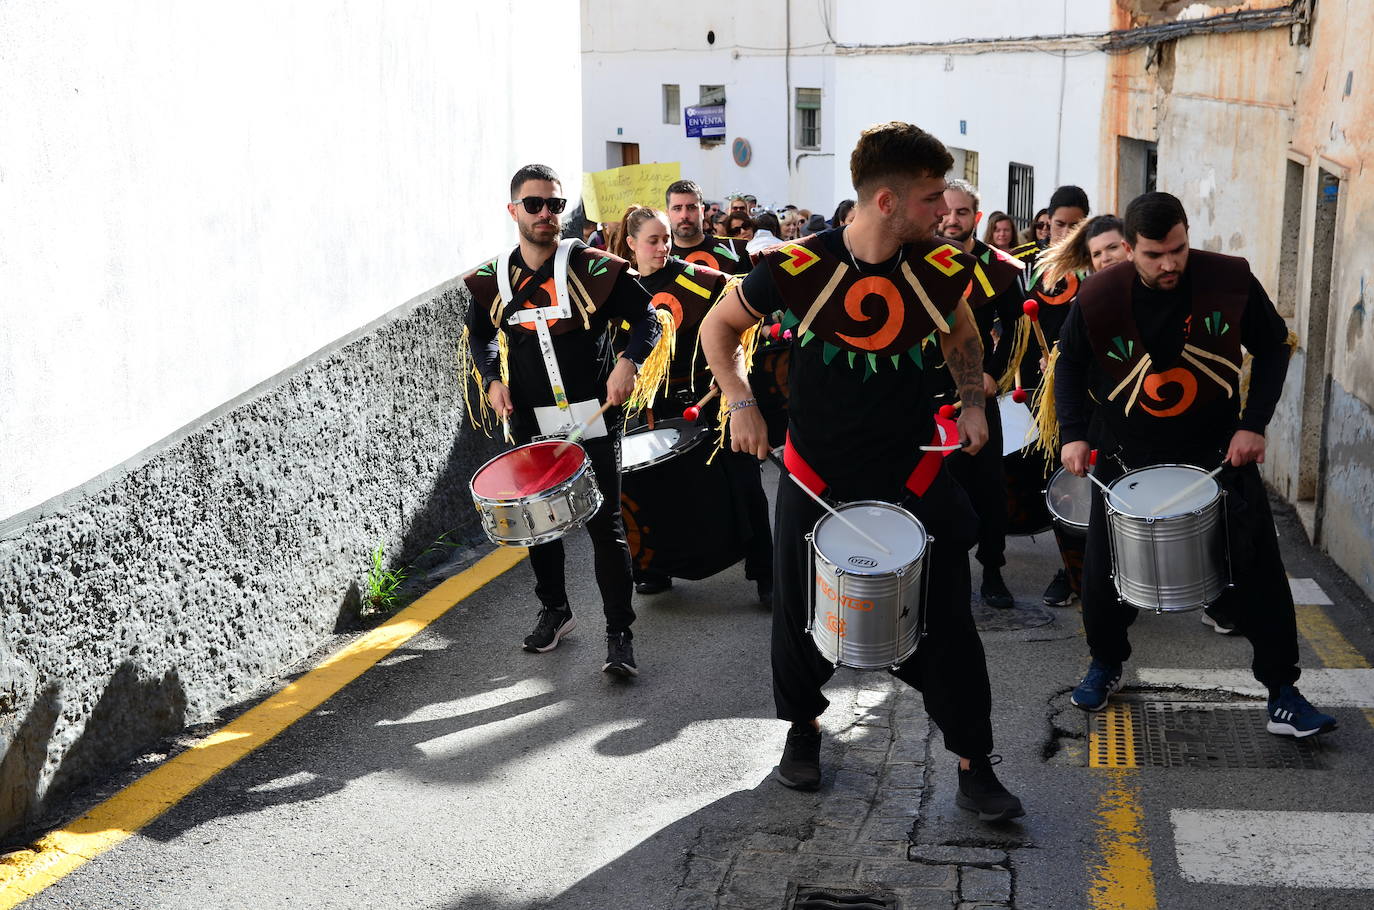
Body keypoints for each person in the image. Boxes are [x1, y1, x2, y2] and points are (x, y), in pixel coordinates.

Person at [700, 121, 1025, 823]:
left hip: (911, 478)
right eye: (933, 197)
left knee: (951, 628)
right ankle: (802, 731)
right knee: (797, 617)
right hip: (814, 479)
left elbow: (964, 338)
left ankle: (974, 764)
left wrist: (972, 400)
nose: (946, 211)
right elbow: (716, 328)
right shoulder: (794, 267)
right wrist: (741, 402)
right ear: (887, 202)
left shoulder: (941, 270)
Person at [1054, 192, 1337, 738]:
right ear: (1131, 248)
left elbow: (1274, 346)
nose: (1169, 264)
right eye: (1155, 254)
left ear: (1187, 234)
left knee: (1260, 572)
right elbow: (1070, 367)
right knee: (1101, 575)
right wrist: (1071, 435)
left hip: (1215, 452)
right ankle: (1105, 664)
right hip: (1124, 453)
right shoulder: (1098, 294)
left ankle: (1283, 692)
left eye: (1178, 249)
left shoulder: (1227, 280)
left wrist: (1253, 423)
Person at [462, 164, 662, 678]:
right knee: (537, 523)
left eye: (554, 204)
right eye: (534, 204)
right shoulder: (493, 279)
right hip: (531, 421)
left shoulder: (593, 267)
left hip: (593, 416)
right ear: (514, 211)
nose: (547, 213)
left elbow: (648, 319)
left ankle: (619, 635)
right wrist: (492, 380)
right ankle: (555, 611)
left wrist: (628, 362)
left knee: (605, 525)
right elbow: (480, 335)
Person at [611, 206, 776, 602]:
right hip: (652, 408)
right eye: (653, 240)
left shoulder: (700, 280)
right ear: (631, 244)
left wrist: (730, 379)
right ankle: (654, 568)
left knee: (742, 484)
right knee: (656, 492)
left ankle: (766, 573)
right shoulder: (619, 291)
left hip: (710, 399)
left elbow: (742, 315)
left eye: (666, 239)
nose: (663, 247)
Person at [931, 180, 1026, 609]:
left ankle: (992, 570)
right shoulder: (915, 260)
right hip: (928, 394)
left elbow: (1016, 328)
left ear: (977, 217)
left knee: (987, 486)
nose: (952, 220)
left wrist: (993, 374)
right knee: (928, 484)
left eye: (962, 213)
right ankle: (934, 569)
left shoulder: (1000, 270)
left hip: (978, 394)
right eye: (946, 211)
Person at [1006, 185, 1091, 608]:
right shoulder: (1025, 268)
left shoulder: (1098, 270)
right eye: (1060, 225)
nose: (1066, 233)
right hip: (1035, 393)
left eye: (1076, 225)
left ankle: (1091, 571)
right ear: (1047, 225)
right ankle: (1071, 568)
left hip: (1085, 390)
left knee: (1084, 480)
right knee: (1050, 481)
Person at [668, 179, 751, 275]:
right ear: (668, 213)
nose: (684, 215)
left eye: (691, 207)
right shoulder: (658, 258)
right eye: (677, 208)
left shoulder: (736, 251)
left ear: (702, 211)